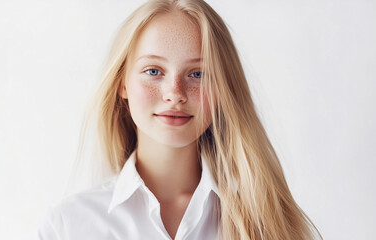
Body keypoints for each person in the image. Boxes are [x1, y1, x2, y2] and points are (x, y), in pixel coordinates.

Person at [38, 0, 322, 239]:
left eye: (197, 74)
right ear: (122, 84)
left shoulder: (267, 224)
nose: (175, 94)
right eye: (153, 71)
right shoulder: (69, 226)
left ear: (223, 89)